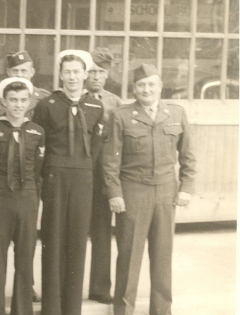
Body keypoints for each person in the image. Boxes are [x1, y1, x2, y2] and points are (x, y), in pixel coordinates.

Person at [103, 64, 195, 315]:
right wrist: (115, 193)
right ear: (134, 89)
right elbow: (110, 161)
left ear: (160, 87)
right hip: (133, 192)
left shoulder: (176, 113)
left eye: (151, 84)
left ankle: (162, 311)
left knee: (163, 256)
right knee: (129, 256)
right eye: (141, 85)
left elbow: (188, 155)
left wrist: (186, 187)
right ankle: (123, 311)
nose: (146, 90)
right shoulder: (121, 116)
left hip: (165, 192)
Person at [32, 50, 104, 315]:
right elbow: (39, 145)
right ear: (60, 74)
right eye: (67, 72)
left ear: (85, 74)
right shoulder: (47, 105)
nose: (72, 77)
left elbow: (97, 148)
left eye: (77, 72)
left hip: (82, 178)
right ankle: (51, 308)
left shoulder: (96, 106)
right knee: (53, 241)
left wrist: (85, 171)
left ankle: (72, 308)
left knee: (77, 241)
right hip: (55, 177)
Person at [0, 78, 45, 315]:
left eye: (23, 100)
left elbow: (37, 167)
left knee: (25, 257)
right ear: (3, 101)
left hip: (27, 197)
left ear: (29, 102)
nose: (18, 105)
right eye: (13, 100)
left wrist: (30, 194)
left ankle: (22, 310)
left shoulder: (37, 131)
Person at [85, 47, 124, 305]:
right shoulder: (75, 97)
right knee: (73, 232)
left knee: (101, 233)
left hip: (103, 177)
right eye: (92, 71)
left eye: (101, 71)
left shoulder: (115, 102)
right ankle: (68, 284)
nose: (96, 76)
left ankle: (99, 288)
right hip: (79, 172)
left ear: (108, 74)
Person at [0, 51, 51, 123]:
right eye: (15, 71)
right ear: (8, 72)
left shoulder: (44, 97)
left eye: (23, 71)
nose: (19, 75)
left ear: (32, 72)